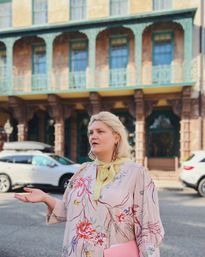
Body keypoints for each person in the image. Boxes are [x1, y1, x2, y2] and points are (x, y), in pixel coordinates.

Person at [15, 111, 164, 257]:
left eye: (100, 131)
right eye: (91, 132)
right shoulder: (83, 170)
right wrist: (45, 198)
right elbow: (68, 211)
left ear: (116, 137)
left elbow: (149, 228)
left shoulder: (137, 173)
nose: (93, 136)